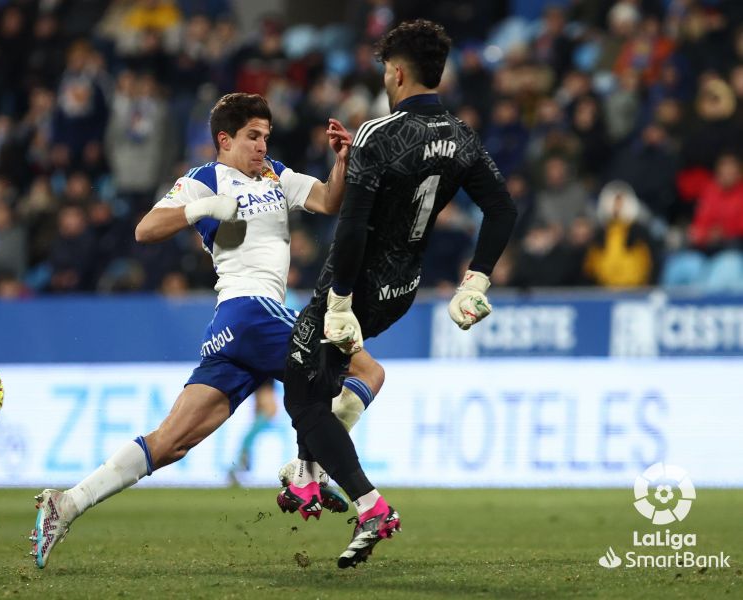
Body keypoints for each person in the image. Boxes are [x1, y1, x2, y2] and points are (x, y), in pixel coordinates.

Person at [30, 92, 385, 568]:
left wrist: (341, 162)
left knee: (172, 441)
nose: (262, 146)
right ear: (225, 139)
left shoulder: (277, 174)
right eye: (252, 137)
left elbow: (327, 199)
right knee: (366, 370)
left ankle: (67, 503)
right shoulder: (205, 179)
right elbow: (145, 230)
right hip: (250, 309)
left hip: (231, 330)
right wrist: (201, 210)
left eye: (266, 137)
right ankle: (309, 470)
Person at [278, 20, 517, 568]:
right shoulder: (461, 135)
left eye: (387, 69)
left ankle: (366, 503)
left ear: (398, 72)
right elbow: (503, 209)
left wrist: (338, 303)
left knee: (302, 392)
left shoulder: (378, 134)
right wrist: (476, 280)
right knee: (324, 377)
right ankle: (309, 476)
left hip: (355, 286)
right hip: (402, 288)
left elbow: (353, 229)